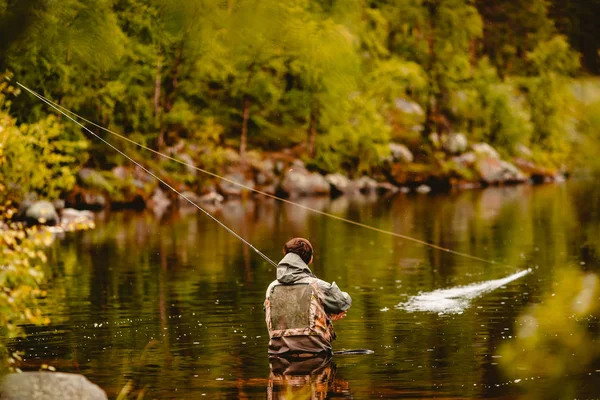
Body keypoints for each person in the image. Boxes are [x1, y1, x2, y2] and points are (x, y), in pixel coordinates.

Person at [264, 238, 352, 356]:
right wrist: (330, 312)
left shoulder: (271, 288)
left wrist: (325, 316)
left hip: (277, 355)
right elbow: (342, 303)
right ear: (310, 259)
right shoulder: (317, 285)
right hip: (316, 354)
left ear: (286, 256)